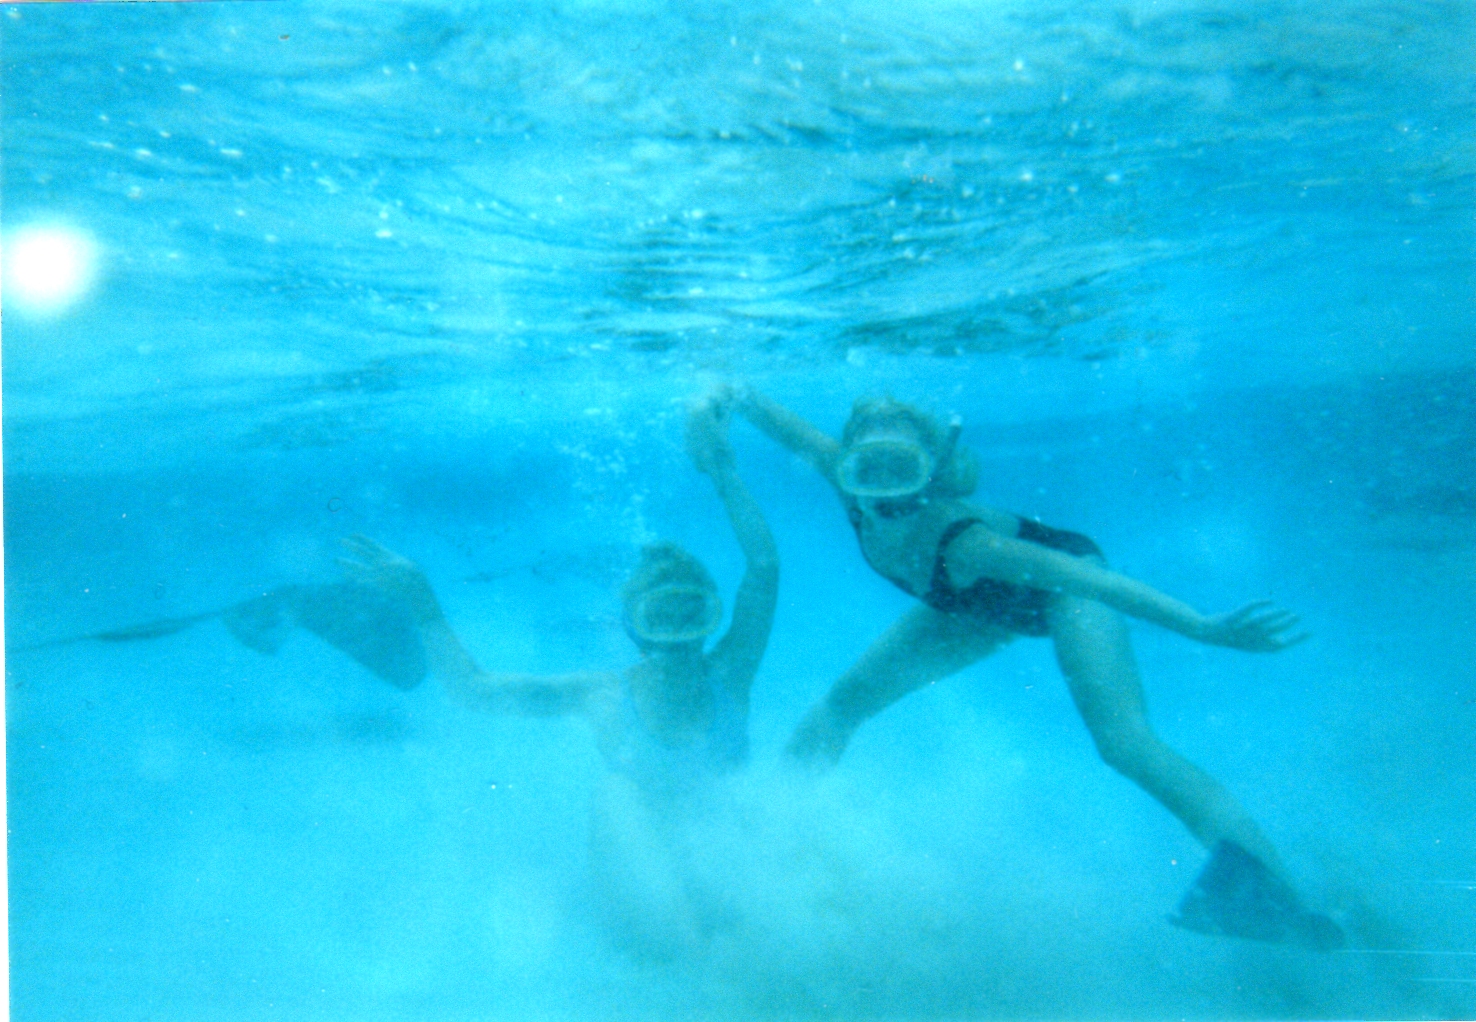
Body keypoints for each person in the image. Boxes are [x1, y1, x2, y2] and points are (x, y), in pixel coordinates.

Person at [729, 385, 1343, 950]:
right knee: (843, 705)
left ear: (934, 473)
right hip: (970, 602)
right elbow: (788, 428)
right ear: (845, 468)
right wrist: (726, 390)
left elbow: (1088, 579)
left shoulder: (970, 542)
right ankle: (763, 841)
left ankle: (1279, 897)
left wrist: (1201, 627)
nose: (887, 496)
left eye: (904, 470)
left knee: (1123, 742)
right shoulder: (848, 488)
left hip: (1064, 593)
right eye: (869, 470)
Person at [337, 394, 779, 954]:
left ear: (712, 619)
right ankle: (681, 945)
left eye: (692, 615)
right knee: (614, 791)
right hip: (634, 887)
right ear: (634, 629)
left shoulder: (732, 672)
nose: (677, 637)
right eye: (657, 618)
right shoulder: (601, 695)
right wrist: (424, 605)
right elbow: (472, 692)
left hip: (717, 859)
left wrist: (724, 472)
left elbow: (763, 570)